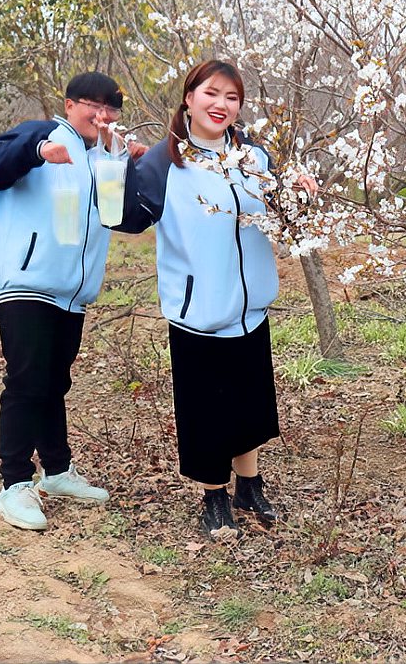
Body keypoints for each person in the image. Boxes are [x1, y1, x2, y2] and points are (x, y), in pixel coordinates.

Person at [117, 60, 317, 538]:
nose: (220, 105)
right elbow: (128, 221)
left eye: (231, 97)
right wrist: (116, 173)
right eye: (211, 93)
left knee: (250, 404)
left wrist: (301, 194)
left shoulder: (253, 157)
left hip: (250, 306)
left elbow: (282, 216)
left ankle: (249, 486)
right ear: (189, 98)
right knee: (208, 411)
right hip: (199, 309)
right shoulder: (163, 161)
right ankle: (213, 498)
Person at [0, 72, 147, 531]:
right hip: (26, 283)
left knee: (54, 384)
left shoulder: (101, 160)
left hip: (71, 295)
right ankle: (13, 486)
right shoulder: (39, 134)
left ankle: (57, 471)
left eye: (111, 110)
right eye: (93, 105)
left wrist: (131, 167)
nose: (102, 116)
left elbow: (124, 220)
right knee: (28, 382)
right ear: (70, 105)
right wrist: (37, 153)